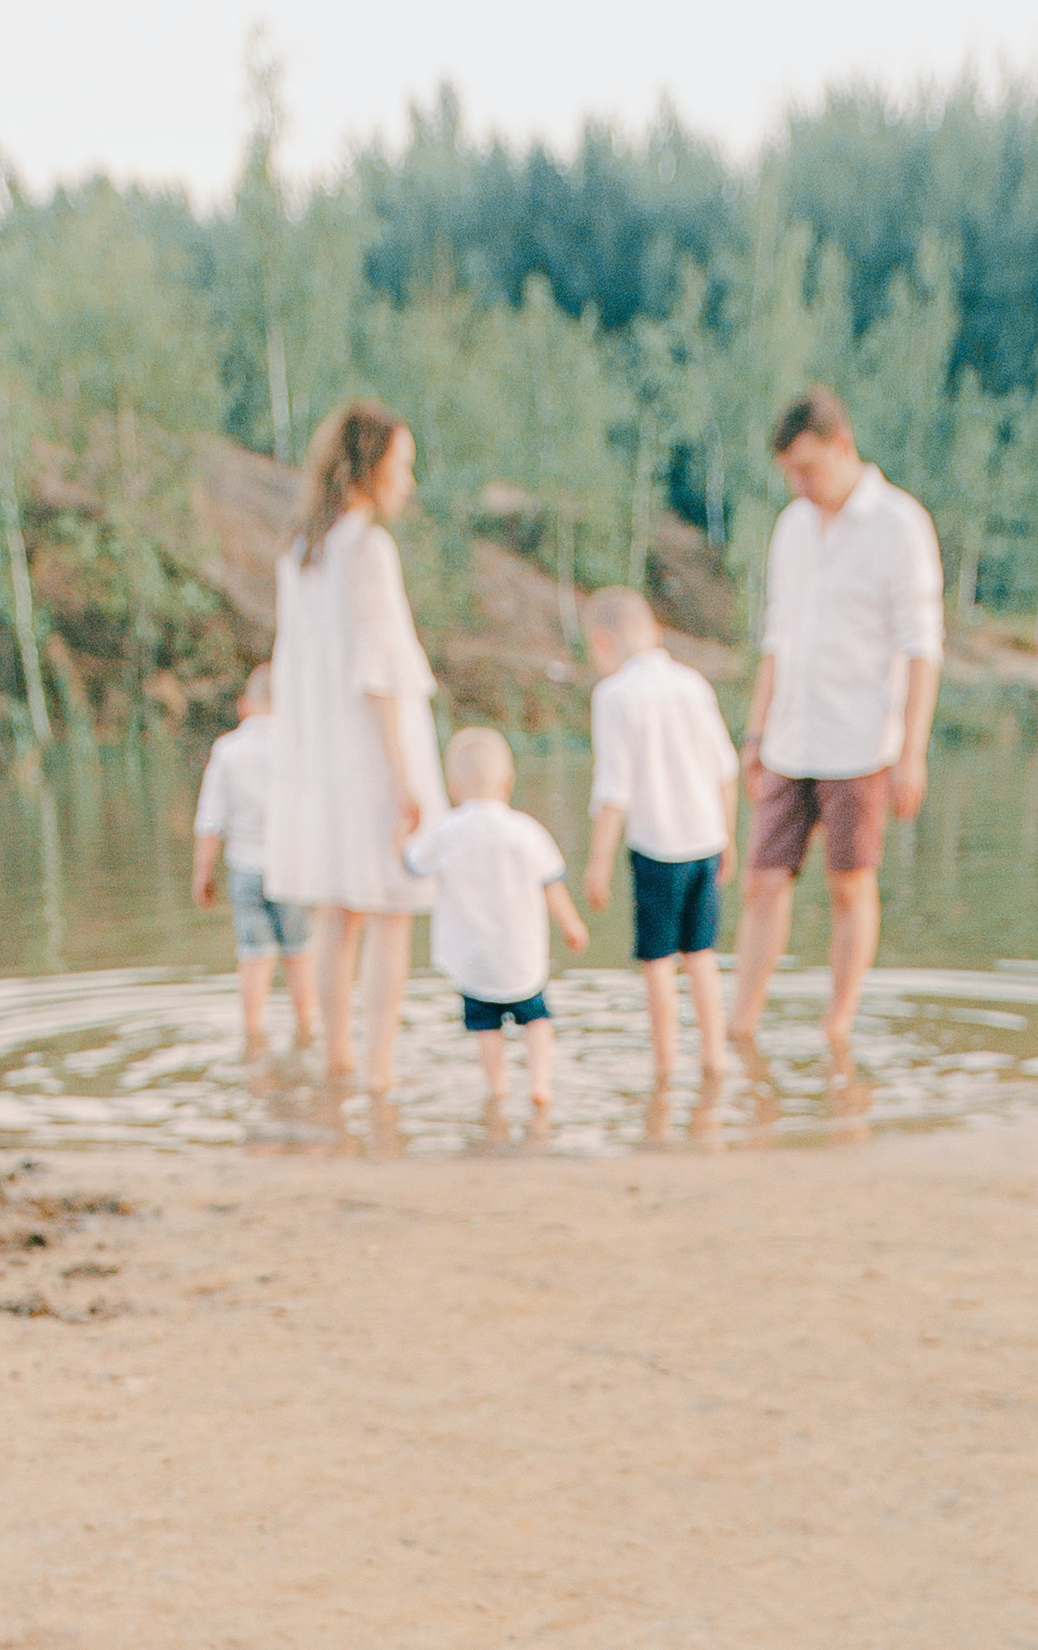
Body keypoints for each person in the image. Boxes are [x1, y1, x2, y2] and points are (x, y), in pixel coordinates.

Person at [728, 385, 944, 1065]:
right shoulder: (792, 527)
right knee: (762, 879)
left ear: (843, 447)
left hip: (861, 741)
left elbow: (921, 646)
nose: (799, 483)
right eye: (790, 471)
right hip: (790, 736)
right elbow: (776, 637)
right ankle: (740, 1025)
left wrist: (912, 752)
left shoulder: (899, 525)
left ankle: (837, 1027)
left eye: (809, 468)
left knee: (850, 884)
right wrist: (755, 734)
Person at [266, 399, 445, 1090]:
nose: (409, 481)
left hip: (317, 757)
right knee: (391, 912)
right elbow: (380, 672)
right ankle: (378, 1075)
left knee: (337, 915)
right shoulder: (368, 547)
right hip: (371, 753)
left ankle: (337, 1062)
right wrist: (404, 780)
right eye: (402, 466)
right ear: (368, 469)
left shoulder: (302, 550)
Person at [579, 585, 739, 1087]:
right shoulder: (693, 684)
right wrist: (728, 836)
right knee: (702, 954)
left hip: (657, 848)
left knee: (657, 962)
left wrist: (599, 860)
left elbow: (614, 789)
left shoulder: (614, 695)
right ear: (653, 631)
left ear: (603, 643)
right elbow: (725, 768)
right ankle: (715, 1058)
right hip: (705, 841)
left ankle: (665, 1066)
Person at [404, 726, 588, 1120]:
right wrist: (572, 925)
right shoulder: (526, 830)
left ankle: (498, 1087)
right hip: (520, 956)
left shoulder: (448, 831)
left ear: (453, 786)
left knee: (486, 1027)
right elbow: (551, 884)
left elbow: (414, 864)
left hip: (474, 958)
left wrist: (398, 837)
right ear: (507, 782)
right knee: (537, 1019)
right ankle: (540, 1083)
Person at [190, 663, 317, 1060]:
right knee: (298, 951)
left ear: (245, 705)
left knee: (253, 953)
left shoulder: (227, 750)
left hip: (245, 869)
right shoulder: (300, 745)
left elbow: (210, 820)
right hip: (291, 869)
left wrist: (202, 874)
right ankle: (307, 1029)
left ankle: (252, 1037)